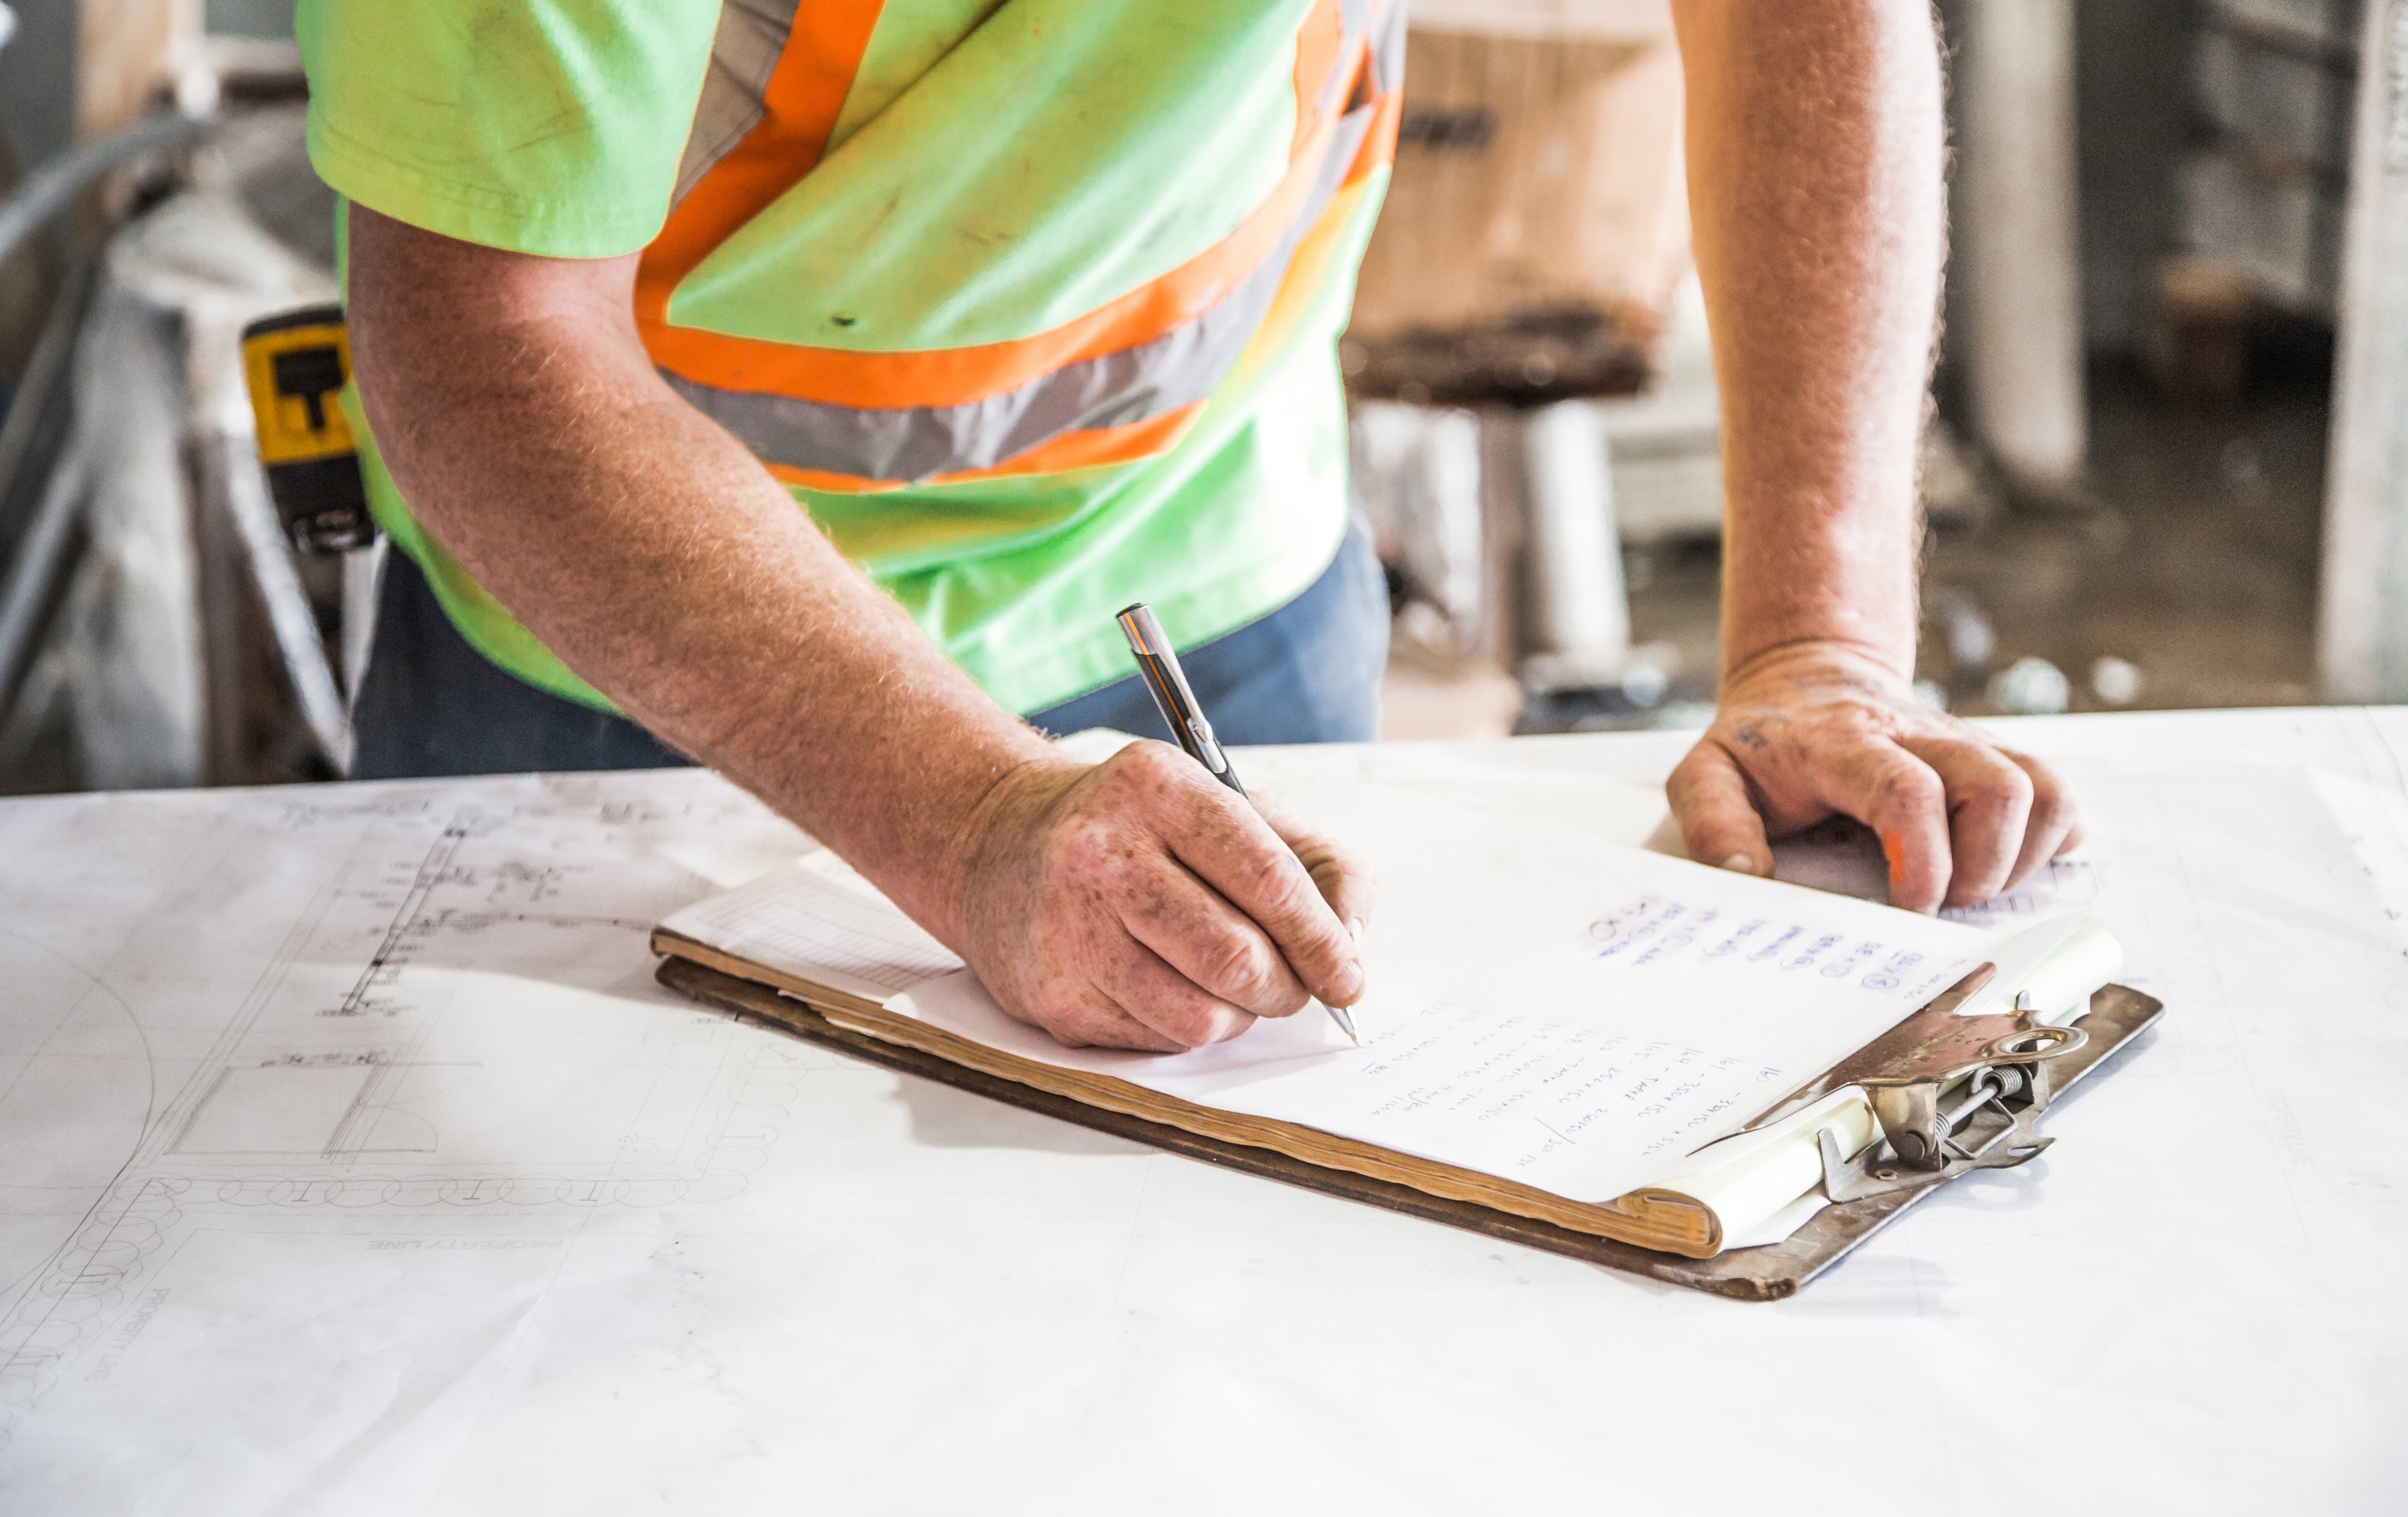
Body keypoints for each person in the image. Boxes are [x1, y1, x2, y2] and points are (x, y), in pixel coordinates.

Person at [300, 0, 2081, 1055]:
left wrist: (1817, 646)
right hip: (638, 661)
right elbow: (483, 340)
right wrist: (968, 812)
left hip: (1220, 570)